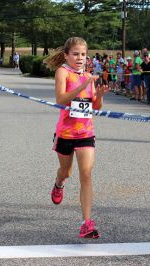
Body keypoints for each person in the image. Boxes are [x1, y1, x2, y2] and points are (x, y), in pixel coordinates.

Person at [43, 37, 108, 239]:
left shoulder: (88, 76)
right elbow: (61, 99)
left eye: (83, 54)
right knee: (66, 171)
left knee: (86, 174)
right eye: (75, 54)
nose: (80, 58)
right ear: (66, 55)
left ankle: (86, 223)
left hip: (86, 132)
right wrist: (83, 85)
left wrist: (99, 95)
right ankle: (59, 183)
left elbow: (95, 107)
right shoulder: (63, 72)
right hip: (66, 133)